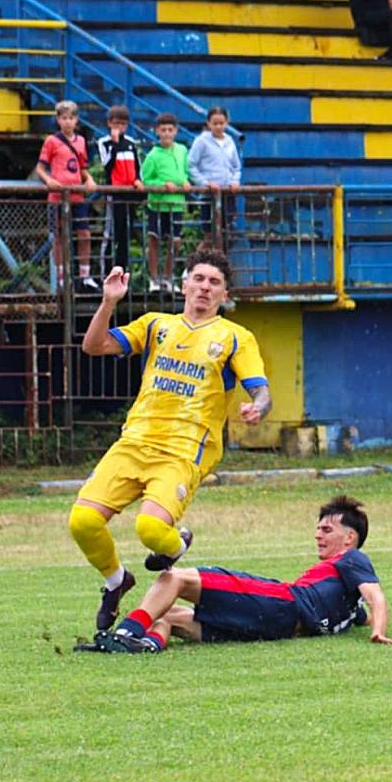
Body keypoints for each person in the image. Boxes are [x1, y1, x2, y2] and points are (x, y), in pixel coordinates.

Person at [69, 247, 272, 631]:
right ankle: (116, 581)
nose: (205, 288)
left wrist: (258, 406)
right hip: (134, 442)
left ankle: (176, 545)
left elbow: (261, 389)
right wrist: (108, 302)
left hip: (182, 451)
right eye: (199, 279)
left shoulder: (234, 337)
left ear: (224, 295)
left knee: (149, 530)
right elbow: (93, 346)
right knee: (81, 522)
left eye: (215, 283)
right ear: (184, 285)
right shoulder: (155, 324)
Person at [84, 496, 392, 653]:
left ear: (349, 539)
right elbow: (364, 611)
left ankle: (125, 634)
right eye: (317, 528)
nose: (318, 535)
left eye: (327, 529)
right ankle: (147, 645)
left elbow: (377, 598)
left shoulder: (352, 557)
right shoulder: (345, 603)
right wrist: (368, 623)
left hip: (282, 603)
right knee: (168, 616)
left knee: (174, 579)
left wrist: (379, 631)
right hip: (274, 628)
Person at [36, 100, 96, 292]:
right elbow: (40, 167)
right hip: (58, 196)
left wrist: (89, 179)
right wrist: (49, 180)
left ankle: (85, 276)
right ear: (58, 120)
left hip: (77, 195)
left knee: (84, 233)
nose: (68, 122)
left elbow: (83, 167)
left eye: (71, 118)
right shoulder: (51, 141)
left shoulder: (81, 141)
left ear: (76, 120)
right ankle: (61, 277)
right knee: (59, 236)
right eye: (64, 118)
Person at [140, 112, 192, 293]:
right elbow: (146, 179)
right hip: (158, 205)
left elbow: (185, 172)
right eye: (163, 130)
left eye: (170, 130)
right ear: (157, 132)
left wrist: (185, 181)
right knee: (154, 239)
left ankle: (168, 278)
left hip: (176, 204)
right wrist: (162, 184)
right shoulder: (153, 155)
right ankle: (154, 279)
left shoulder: (182, 150)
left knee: (174, 242)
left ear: (176, 131)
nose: (167, 133)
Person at [96, 105, 144, 278]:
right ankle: (105, 274)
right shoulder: (104, 143)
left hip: (129, 194)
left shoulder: (131, 143)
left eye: (123, 124)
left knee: (126, 234)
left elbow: (137, 166)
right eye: (116, 123)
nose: (119, 127)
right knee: (110, 234)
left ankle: (122, 273)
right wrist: (115, 145)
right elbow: (107, 165)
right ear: (109, 123)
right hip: (114, 194)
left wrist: (138, 179)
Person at [187, 106, 242, 251]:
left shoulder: (230, 141)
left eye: (221, 123)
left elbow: (236, 166)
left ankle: (220, 268)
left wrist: (235, 181)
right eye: (215, 123)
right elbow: (191, 165)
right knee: (209, 236)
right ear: (208, 123)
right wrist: (204, 183)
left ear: (227, 122)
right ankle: (193, 267)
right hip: (209, 194)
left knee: (226, 233)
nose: (218, 127)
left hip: (227, 193)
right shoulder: (201, 141)